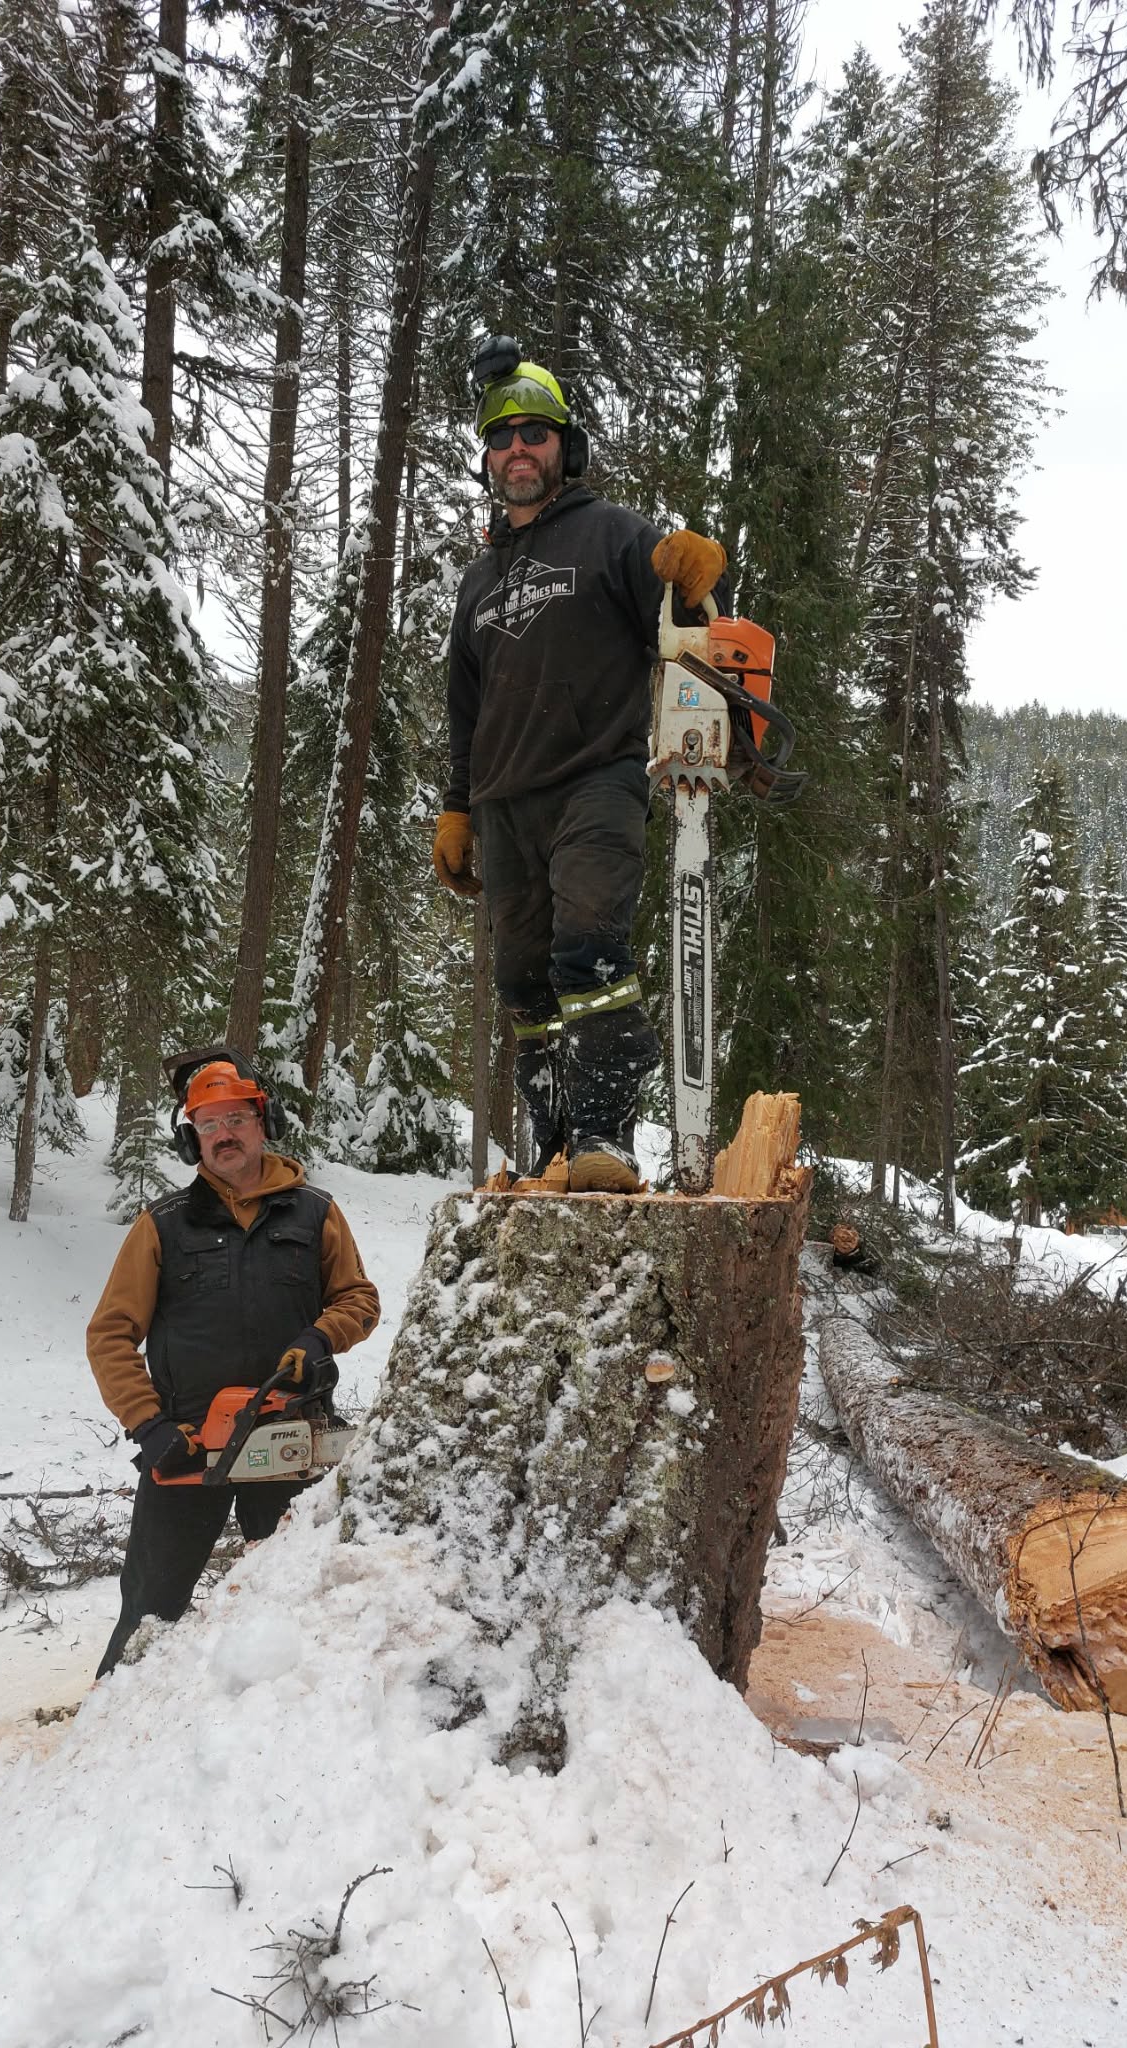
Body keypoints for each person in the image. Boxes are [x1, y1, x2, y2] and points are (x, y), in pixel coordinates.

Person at [432, 343, 727, 1192]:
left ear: (567, 445)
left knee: (590, 949)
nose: (517, 449)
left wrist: (697, 582)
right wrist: (457, 809)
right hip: (501, 803)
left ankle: (608, 1140)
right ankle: (556, 1148)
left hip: (596, 779)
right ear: (487, 458)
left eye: (534, 433)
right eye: (501, 437)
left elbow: (693, 627)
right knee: (524, 987)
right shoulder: (478, 580)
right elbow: (466, 710)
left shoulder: (612, 533)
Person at [86, 1051, 380, 1675]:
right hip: (191, 1441)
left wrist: (321, 1338)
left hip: (291, 1429)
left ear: (261, 1122)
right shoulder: (162, 1225)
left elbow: (359, 1298)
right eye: (208, 1123)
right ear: (191, 1137)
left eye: (236, 1119)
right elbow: (110, 1334)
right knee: (150, 1605)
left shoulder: (315, 1212)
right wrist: (149, 1426)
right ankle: (112, 1726)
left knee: (300, 1594)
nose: (224, 1134)